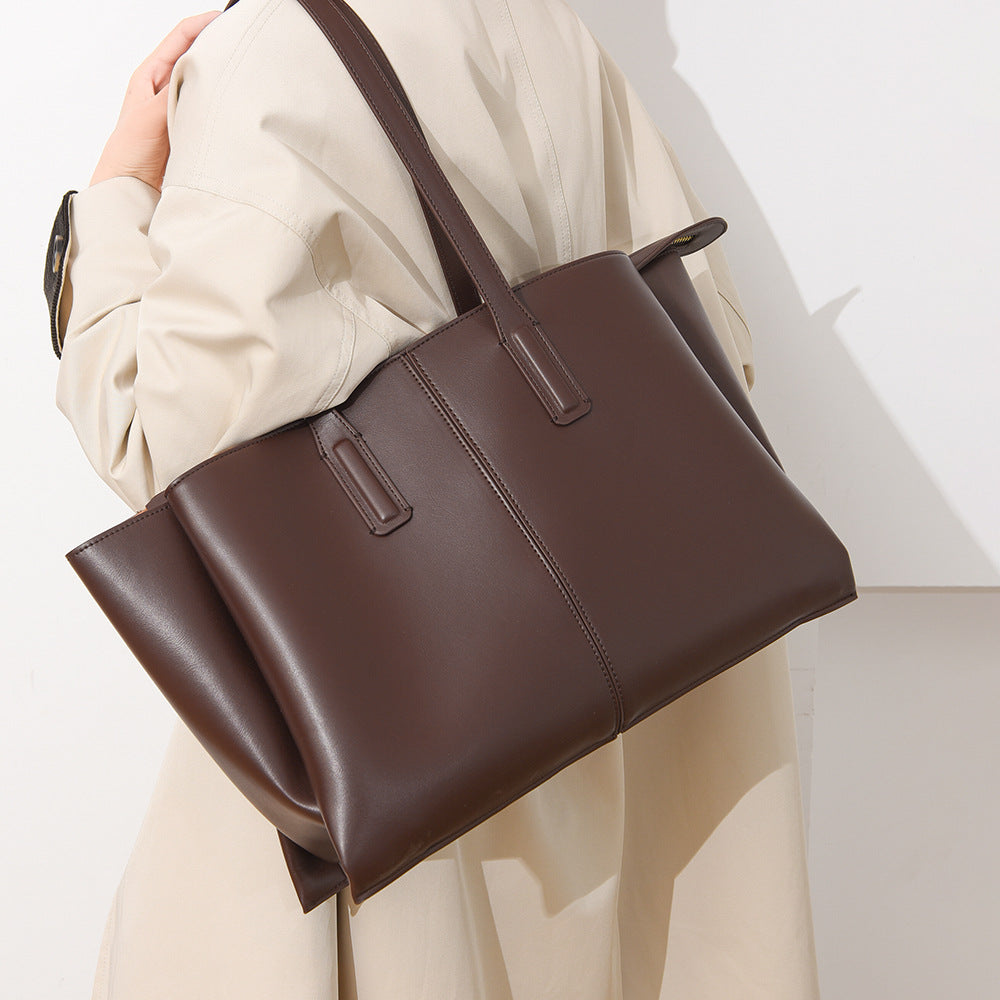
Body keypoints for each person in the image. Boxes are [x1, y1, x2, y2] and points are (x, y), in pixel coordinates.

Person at [46, 1, 821, 997]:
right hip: (635, 740)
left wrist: (114, 192)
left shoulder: (267, 58)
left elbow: (162, 443)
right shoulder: (551, 29)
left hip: (416, 776)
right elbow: (709, 354)